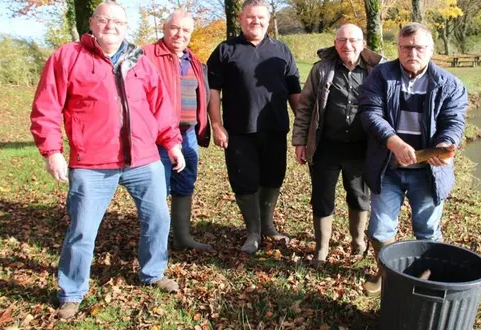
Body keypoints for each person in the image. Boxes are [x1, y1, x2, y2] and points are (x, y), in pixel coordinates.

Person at [30, 1, 184, 319]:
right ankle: (71, 292)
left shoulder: (136, 58)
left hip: (144, 159)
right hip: (91, 164)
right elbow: (47, 105)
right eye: (104, 19)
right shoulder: (68, 56)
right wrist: (52, 150)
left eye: (118, 21)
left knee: (158, 220)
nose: (111, 25)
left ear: (126, 27)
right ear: (92, 22)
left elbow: (160, 104)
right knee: (83, 230)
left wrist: (172, 142)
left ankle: (153, 272)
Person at [358, 23, 468, 295]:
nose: (412, 53)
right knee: (381, 229)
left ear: (431, 49)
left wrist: (445, 145)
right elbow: (370, 113)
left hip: (429, 172)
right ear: (398, 48)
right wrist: (394, 142)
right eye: (406, 47)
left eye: (419, 47)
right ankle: (387, 275)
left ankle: (428, 275)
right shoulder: (380, 76)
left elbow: (454, 121)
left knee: (427, 230)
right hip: (388, 168)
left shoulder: (449, 84)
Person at [207, 0, 301, 254]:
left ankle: (267, 225)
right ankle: (253, 232)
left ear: (268, 20)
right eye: (250, 17)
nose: (255, 21)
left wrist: (303, 129)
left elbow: (295, 93)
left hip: (275, 128)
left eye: (261, 17)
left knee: (273, 178)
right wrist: (217, 125)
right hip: (239, 131)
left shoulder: (281, 50)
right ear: (240, 18)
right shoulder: (225, 50)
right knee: (244, 181)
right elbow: (212, 92)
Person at [292, 24, 384, 267]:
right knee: (322, 198)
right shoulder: (321, 70)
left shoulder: (377, 71)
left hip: (361, 149)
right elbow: (305, 107)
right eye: (342, 40)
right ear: (335, 43)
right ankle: (321, 249)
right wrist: (300, 141)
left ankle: (358, 242)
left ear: (363, 44)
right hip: (326, 147)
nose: (347, 45)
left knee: (358, 196)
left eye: (353, 40)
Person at [143, 10, 212, 251]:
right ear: (164, 28)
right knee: (157, 189)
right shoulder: (146, 55)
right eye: (174, 28)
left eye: (185, 30)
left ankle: (183, 238)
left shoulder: (193, 60)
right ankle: (156, 245)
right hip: (156, 137)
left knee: (185, 184)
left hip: (188, 135)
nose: (179, 34)